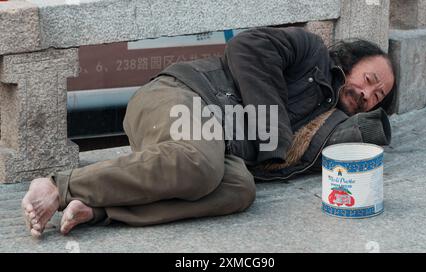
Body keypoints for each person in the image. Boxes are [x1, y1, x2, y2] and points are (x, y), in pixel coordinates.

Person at [21, 26, 395, 237]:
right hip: (180, 96)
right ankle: (58, 185)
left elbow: (360, 138)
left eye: (376, 96)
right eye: (369, 80)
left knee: (239, 190)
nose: (365, 95)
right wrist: (274, 135)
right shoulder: (311, 50)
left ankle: (98, 209)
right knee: (201, 162)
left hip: (216, 145)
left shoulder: (328, 116)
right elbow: (247, 48)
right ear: (352, 60)